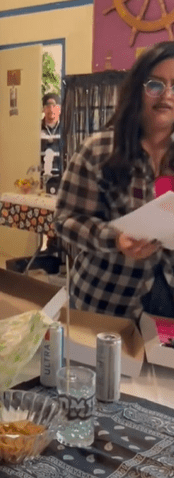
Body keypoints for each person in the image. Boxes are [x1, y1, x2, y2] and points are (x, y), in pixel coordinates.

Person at [55, 41, 174, 319]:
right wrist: (116, 239)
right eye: (155, 85)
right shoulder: (99, 149)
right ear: (137, 90)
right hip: (106, 301)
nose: (166, 95)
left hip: (167, 306)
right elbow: (65, 219)